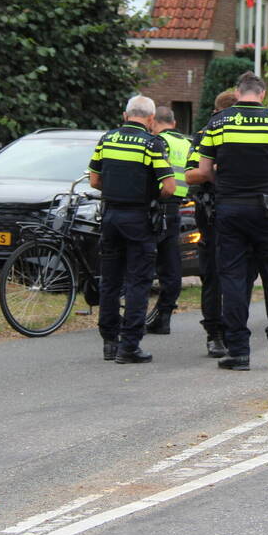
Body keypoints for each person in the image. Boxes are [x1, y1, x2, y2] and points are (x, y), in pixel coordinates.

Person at [191, 72, 268, 371]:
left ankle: (238, 352)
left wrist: (226, 186)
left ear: (238, 93)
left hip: (230, 210)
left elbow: (204, 170)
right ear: (262, 93)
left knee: (234, 280)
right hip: (267, 210)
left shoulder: (218, 122)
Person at [89, 95, 175, 364]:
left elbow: (94, 180)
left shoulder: (107, 139)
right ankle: (129, 346)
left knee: (111, 281)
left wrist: (117, 192)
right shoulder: (152, 143)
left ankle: (109, 342)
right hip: (139, 219)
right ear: (151, 119)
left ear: (126, 115)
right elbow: (169, 187)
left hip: (111, 215)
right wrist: (150, 196)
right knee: (138, 281)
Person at [186, 90, 239, 357]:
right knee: (213, 274)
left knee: (234, 274)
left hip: (237, 210)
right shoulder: (206, 134)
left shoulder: (243, 133)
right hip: (211, 211)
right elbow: (191, 175)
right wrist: (217, 170)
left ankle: (231, 331)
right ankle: (215, 333)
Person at [145, 106, 192, 336]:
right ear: (173, 123)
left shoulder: (157, 142)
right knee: (171, 266)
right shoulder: (187, 143)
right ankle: (163, 318)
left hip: (156, 206)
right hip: (176, 210)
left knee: (143, 263)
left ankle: (135, 317)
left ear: (153, 122)